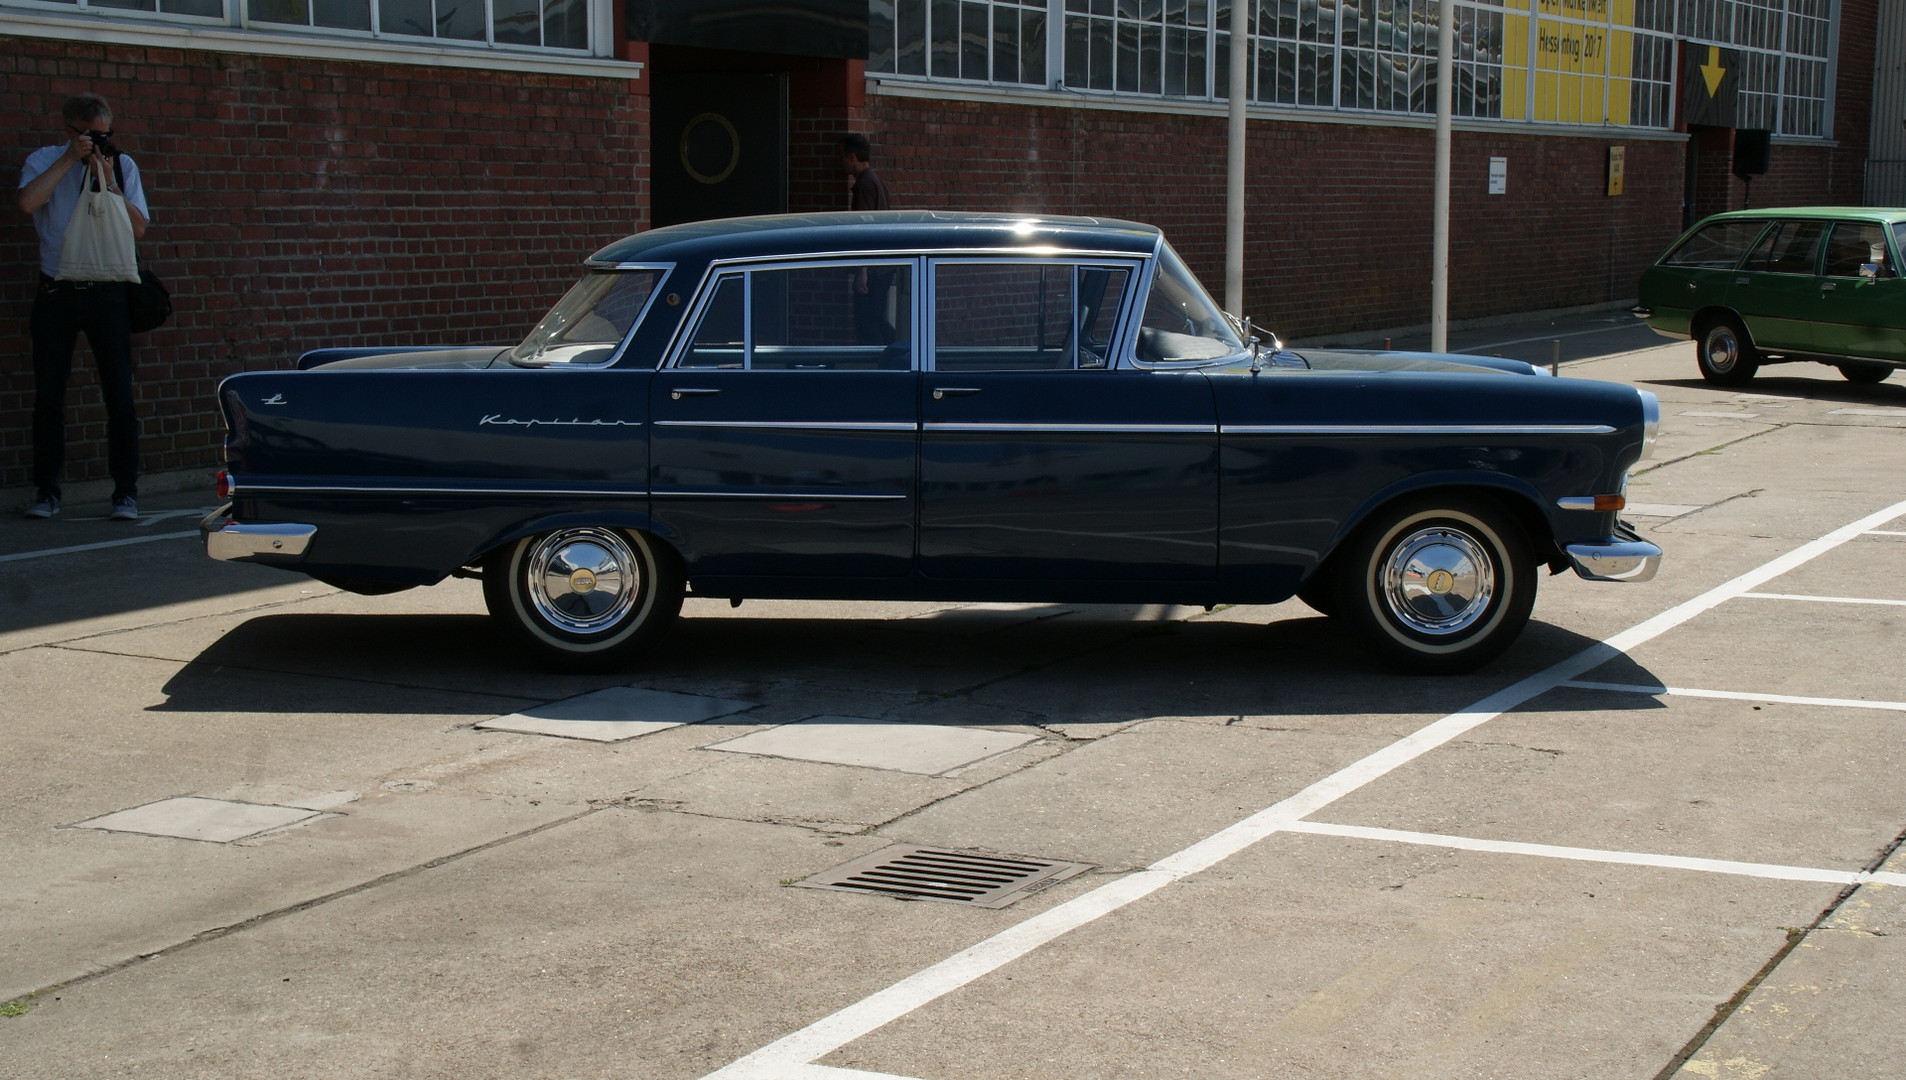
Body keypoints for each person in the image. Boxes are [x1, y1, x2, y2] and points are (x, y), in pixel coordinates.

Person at [16, 92, 149, 521]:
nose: (101, 141)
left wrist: (108, 181)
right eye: (92, 135)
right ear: (71, 132)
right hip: (57, 289)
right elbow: (27, 203)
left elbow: (139, 229)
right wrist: (69, 161)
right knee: (49, 395)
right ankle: (47, 492)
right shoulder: (44, 159)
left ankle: (125, 493)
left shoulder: (122, 165)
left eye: (107, 133)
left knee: (119, 396)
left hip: (107, 290)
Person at [839, 134, 895, 343]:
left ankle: (890, 360)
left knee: (867, 322)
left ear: (852, 157)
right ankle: (898, 352)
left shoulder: (864, 185)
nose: (842, 163)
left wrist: (862, 270)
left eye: (842, 157)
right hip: (882, 266)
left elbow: (863, 229)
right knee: (876, 318)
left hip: (873, 269)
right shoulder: (876, 181)